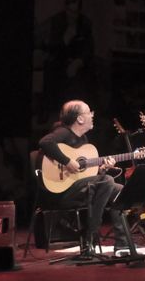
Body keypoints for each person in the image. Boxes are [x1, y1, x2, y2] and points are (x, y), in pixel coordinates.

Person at [36, 100, 135, 261]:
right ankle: (91, 238)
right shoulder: (64, 133)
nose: (92, 115)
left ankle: (122, 244)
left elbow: (85, 174)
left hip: (79, 188)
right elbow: (45, 142)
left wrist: (102, 170)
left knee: (118, 190)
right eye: (89, 112)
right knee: (106, 181)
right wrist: (67, 161)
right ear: (80, 119)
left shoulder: (84, 141)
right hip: (60, 193)